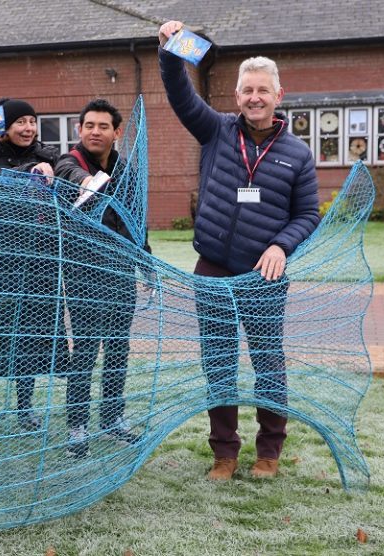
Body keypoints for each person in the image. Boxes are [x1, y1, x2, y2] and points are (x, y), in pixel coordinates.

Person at [158, 21, 320, 480]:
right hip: (212, 269)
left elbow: (308, 214)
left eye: (262, 90)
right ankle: (224, 454)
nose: (254, 97)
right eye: (247, 89)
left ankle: (269, 452)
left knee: (268, 361)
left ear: (278, 96)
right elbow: (179, 94)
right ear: (236, 97)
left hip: (264, 277)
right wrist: (170, 51)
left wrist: (280, 245)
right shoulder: (216, 131)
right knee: (219, 364)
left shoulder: (298, 154)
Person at [0, 98, 69, 433]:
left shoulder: (50, 156)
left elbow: (67, 183)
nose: (28, 128)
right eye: (20, 122)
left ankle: (25, 408)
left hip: (40, 263)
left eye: (32, 121)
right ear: (5, 127)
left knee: (30, 338)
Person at [54, 98, 152, 458]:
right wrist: (87, 183)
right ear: (79, 130)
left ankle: (112, 418)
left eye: (103, 126)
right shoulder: (70, 162)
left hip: (121, 273)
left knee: (117, 349)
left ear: (116, 132)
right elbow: (69, 175)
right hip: (84, 275)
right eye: (89, 126)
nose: (95, 132)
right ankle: (77, 427)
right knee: (85, 353)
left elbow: (134, 220)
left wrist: (147, 265)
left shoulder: (125, 169)